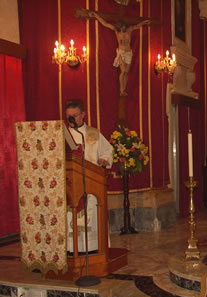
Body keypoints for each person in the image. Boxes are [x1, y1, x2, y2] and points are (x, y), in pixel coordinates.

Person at [65, 99, 113, 252]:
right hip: (71, 184)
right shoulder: (63, 135)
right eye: (69, 116)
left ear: (83, 115)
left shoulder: (93, 133)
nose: (72, 119)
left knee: (91, 215)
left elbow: (107, 150)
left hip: (91, 184)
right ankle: (72, 249)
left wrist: (104, 159)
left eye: (75, 115)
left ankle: (92, 248)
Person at [89, 11, 152, 96]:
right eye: (121, 27)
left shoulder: (129, 30)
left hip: (128, 52)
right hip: (121, 52)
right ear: (119, 26)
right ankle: (121, 90)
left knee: (126, 72)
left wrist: (144, 22)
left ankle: (124, 90)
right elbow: (105, 23)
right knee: (123, 71)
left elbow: (137, 26)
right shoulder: (117, 31)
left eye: (124, 26)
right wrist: (96, 16)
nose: (123, 28)